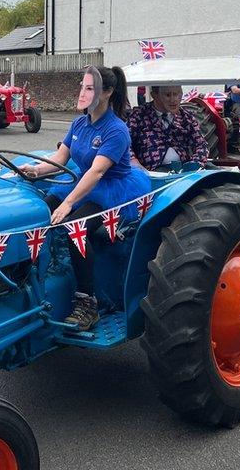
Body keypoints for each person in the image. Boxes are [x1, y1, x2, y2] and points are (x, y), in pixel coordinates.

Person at [18, 66, 150, 331]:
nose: (83, 92)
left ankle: (87, 302)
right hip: (83, 182)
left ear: (108, 92)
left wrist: (68, 203)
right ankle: (28, 280)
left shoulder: (116, 130)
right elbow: (60, 159)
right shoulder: (79, 123)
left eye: (90, 88)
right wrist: (35, 169)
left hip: (111, 190)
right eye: (82, 86)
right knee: (38, 212)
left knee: (74, 227)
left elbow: (98, 171)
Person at [126, 85, 209, 170]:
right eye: (168, 95)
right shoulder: (138, 116)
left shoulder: (186, 118)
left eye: (177, 94)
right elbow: (124, 142)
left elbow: (201, 144)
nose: (173, 100)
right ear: (154, 95)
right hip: (152, 173)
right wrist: (132, 160)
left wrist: (194, 164)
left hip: (183, 172)